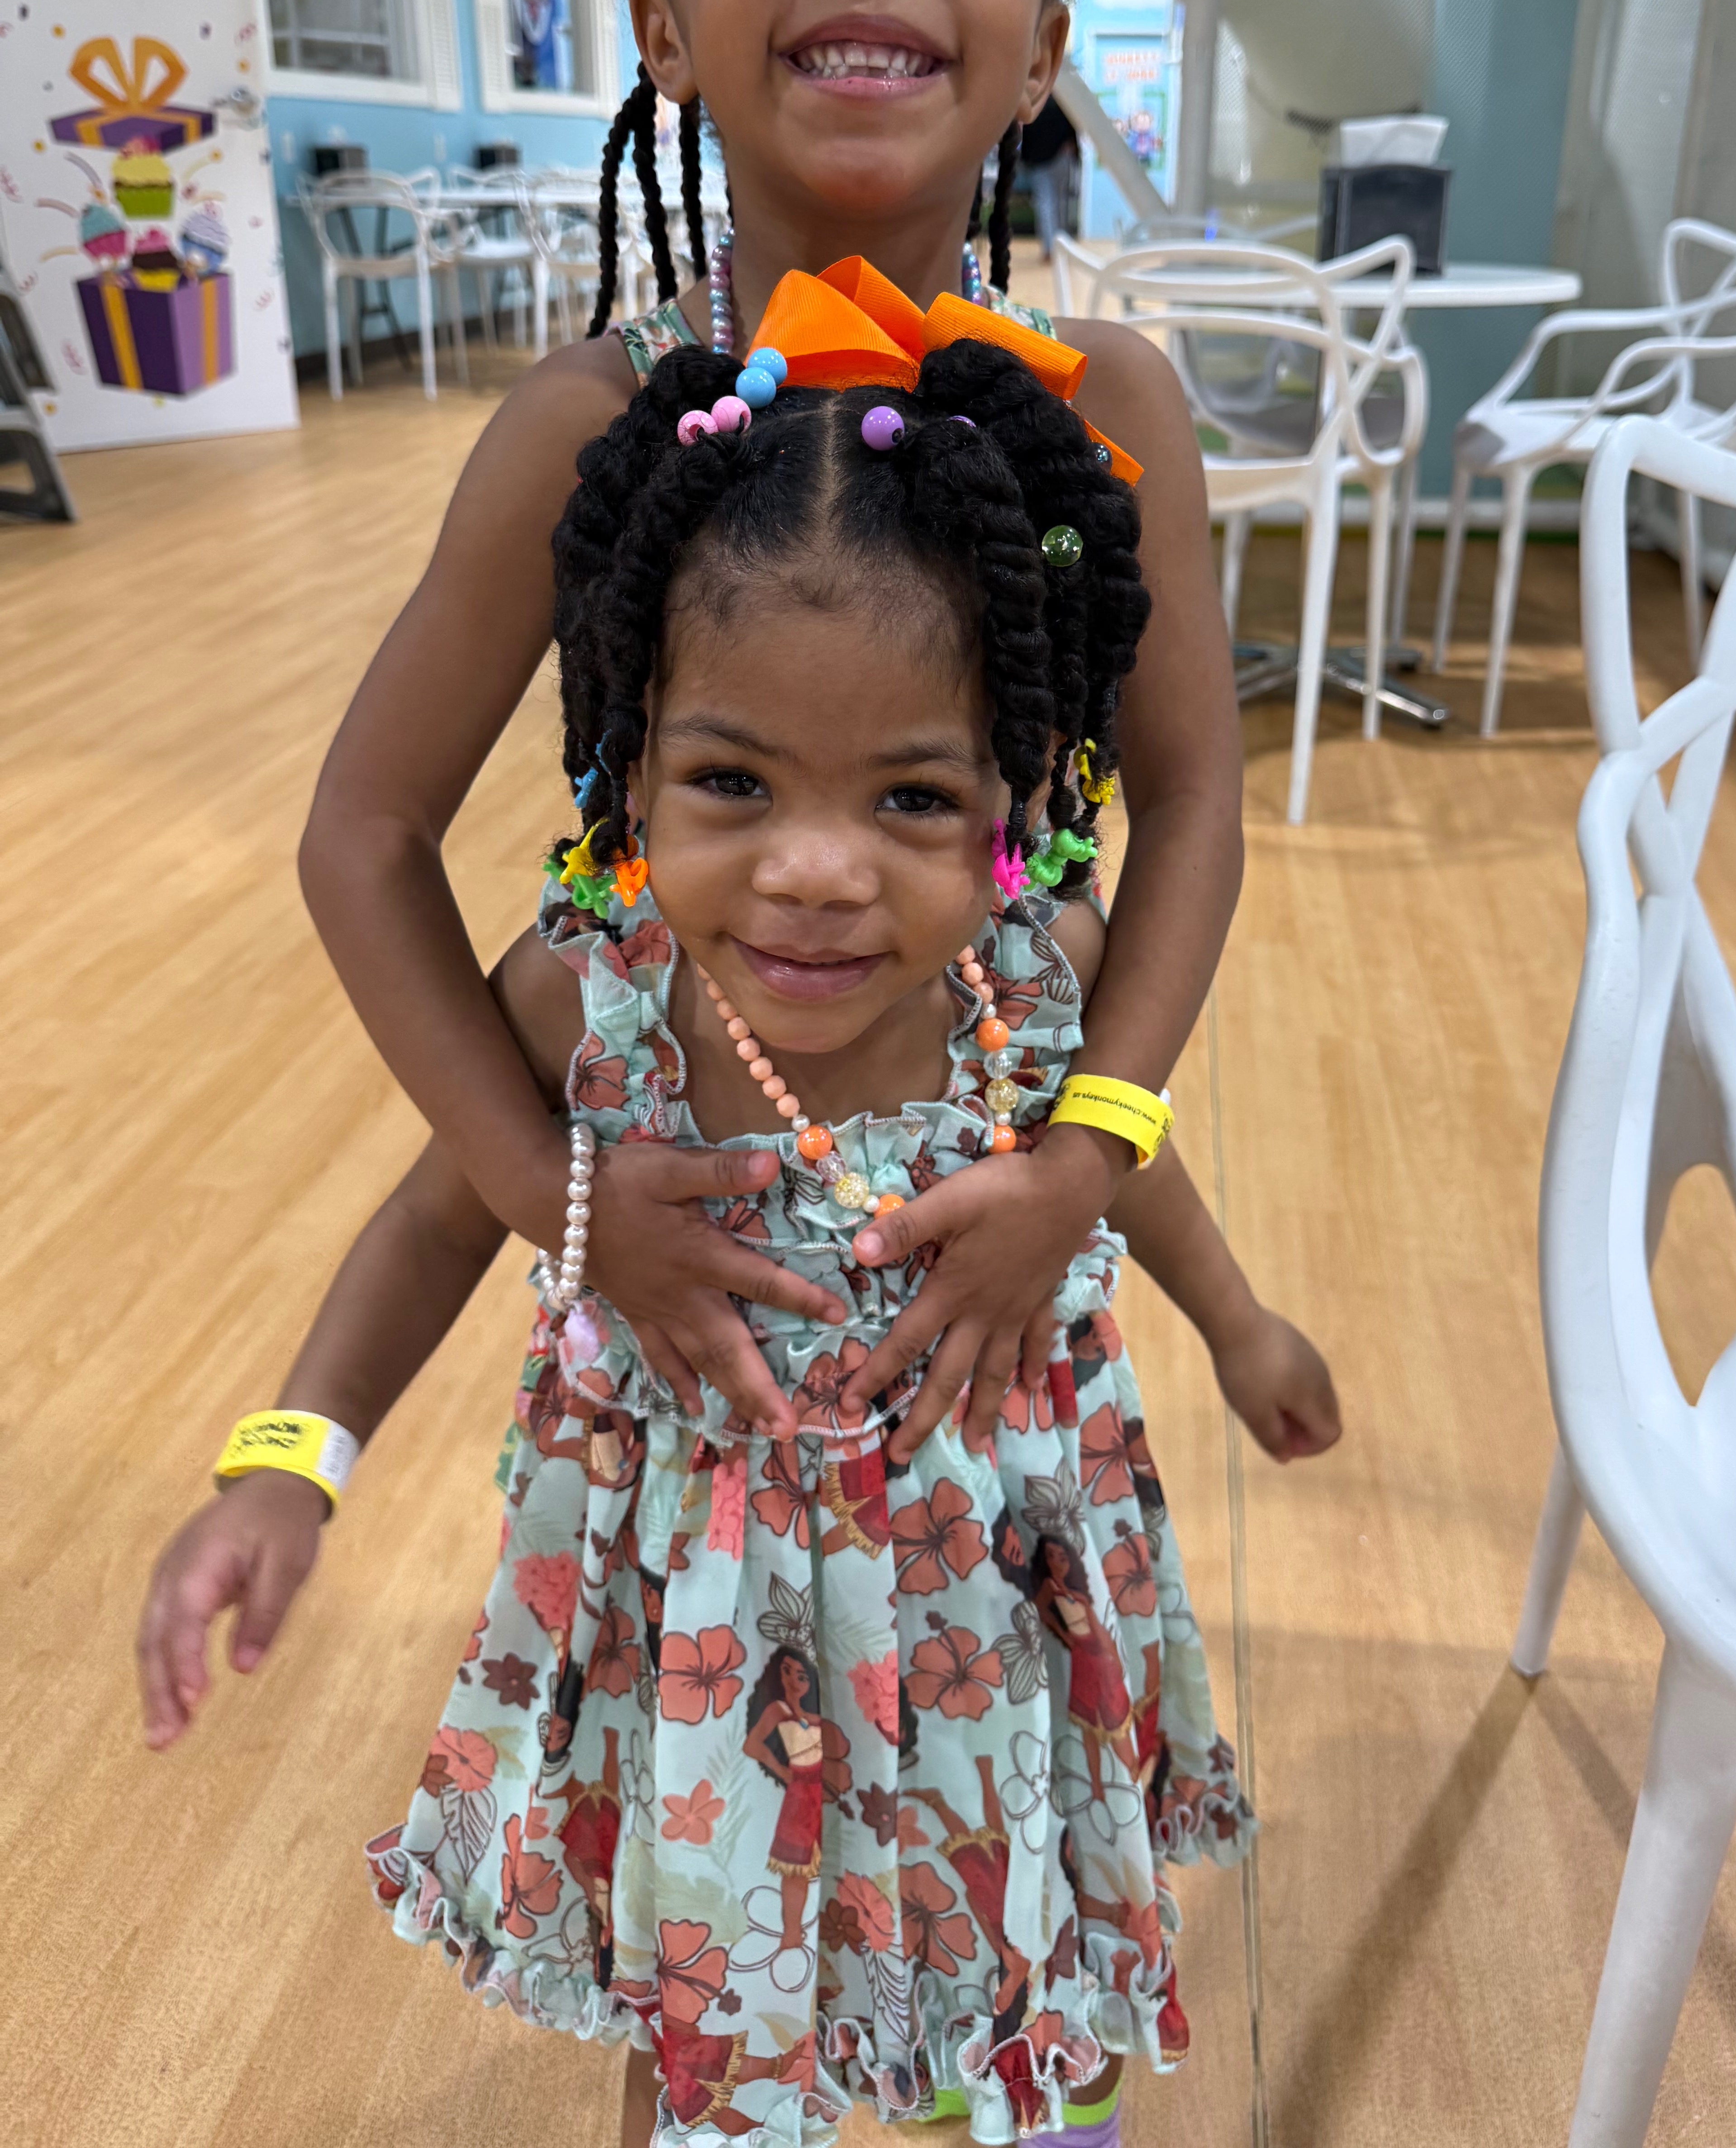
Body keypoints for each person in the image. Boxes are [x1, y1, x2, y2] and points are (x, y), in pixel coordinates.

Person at [138, 293, 1340, 2148]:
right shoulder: (590, 1001)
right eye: (731, 782)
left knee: (1020, 1980)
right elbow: (431, 1226)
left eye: (913, 797)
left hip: (985, 1604)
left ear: (1016, 800)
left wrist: (1239, 1321)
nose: (814, 870)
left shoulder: (1035, 985)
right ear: (625, 766)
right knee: (707, 2020)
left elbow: (1123, 1161)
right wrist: (290, 1462)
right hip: (692, 1644)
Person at [292, 0, 1259, 1468]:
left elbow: (1195, 799)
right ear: (662, 22)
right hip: (680, 1218)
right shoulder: (584, 422)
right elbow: (363, 830)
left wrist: (1090, 1155)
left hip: (997, 1261)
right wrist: (562, 1202)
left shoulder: (1109, 407)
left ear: (1047, 45)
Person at [1018, 93, 1079, 251]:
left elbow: (1027, 135)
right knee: (1061, 203)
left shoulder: (1032, 105)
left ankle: (1050, 248)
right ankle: (1063, 247)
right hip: (1061, 156)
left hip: (1040, 161)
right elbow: (1071, 130)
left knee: (1046, 204)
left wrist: (1025, 159)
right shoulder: (1061, 103)